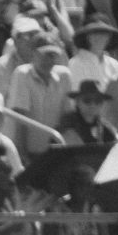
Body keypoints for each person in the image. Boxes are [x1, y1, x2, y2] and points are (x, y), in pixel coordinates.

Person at [7, 31, 72, 161]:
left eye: (53, 55)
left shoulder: (64, 76)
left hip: (55, 154)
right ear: (33, 54)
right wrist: (22, 155)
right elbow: (20, 118)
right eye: (45, 55)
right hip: (27, 153)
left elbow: (67, 116)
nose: (49, 60)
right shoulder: (22, 74)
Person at [58, 79, 118, 145]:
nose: (93, 105)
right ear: (77, 102)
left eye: (97, 101)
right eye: (87, 100)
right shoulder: (67, 124)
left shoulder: (105, 127)